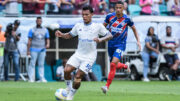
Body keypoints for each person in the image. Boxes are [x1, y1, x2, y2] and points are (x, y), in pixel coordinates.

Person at [55, 5, 112, 100]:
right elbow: (69, 35)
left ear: (92, 15)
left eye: (86, 14)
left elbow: (110, 35)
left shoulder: (98, 26)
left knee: (78, 76)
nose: (84, 16)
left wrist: (100, 39)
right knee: (66, 70)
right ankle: (68, 89)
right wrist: (62, 35)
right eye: (83, 15)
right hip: (78, 54)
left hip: (89, 57)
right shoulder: (78, 26)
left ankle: (70, 96)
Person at [101, 1, 141, 94]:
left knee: (112, 64)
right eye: (117, 8)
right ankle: (125, 66)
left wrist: (138, 41)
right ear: (115, 8)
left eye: (120, 8)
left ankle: (106, 87)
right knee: (114, 64)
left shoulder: (127, 19)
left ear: (123, 8)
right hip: (110, 44)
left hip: (120, 44)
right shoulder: (109, 16)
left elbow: (134, 29)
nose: (118, 9)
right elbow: (102, 27)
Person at [27, 17, 50, 83]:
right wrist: (28, 50)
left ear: (41, 21)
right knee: (32, 64)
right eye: (38, 21)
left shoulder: (45, 30)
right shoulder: (32, 29)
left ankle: (41, 78)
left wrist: (48, 44)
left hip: (42, 49)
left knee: (41, 64)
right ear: (36, 21)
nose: (39, 22)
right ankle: (31, 78)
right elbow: (29, 40)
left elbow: (47, 38)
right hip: (33, 49)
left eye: (40, 21)